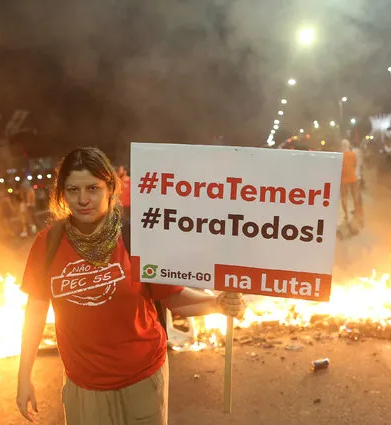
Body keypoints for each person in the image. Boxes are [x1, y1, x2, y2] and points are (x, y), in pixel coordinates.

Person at [16, 147, 245, 425]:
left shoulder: (135, 238)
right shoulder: (47, 244)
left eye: (93, 188)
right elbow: (35, 312)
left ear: (110, 187)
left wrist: (217, 304)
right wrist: (23, 376)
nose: (83, 199)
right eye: (73, 190)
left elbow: (172, 296)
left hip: (142, 379)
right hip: (84, 386)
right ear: (62, 193)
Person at [340, 139, 362, 223]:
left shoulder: (340, 155)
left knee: (344, 197)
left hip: (343, 179)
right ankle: (356, 211)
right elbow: (355, 165)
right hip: (353, 178)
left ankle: (346, 215)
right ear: (349, 146)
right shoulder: (353, 154)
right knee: (355, 196)